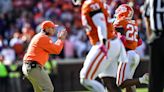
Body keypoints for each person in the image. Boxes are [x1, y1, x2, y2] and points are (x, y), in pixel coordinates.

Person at [72, 0, 128, 91]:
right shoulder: (96, 3)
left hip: (105, 44)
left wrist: (103, 42)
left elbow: (101, 24)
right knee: (109, 81)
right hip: (112, 42)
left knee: (85, 79)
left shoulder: (90, 3)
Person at [100, 4, 149, 92]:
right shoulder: (133, 23)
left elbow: (120, 38)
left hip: (126, 55)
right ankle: (142, 80)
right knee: (129, 82)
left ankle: (143, 79)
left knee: (121, 83)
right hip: (134, 54)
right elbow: (139, 42)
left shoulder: (120, 22)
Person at [22, 20, 67, 92]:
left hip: (30, 67)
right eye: (52, 28)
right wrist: (60, 40)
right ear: (46, 29)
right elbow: (56, 50)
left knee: (39, 90)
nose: (54, 30)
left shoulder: (39, 37)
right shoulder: (43, 37)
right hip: (34, 67)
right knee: (48, 89)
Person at [144, 0, 164, 92]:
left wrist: (150, 36)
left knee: (155, 75)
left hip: (156, 37)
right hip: (156, 37)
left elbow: (147, 18)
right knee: (155, 75)